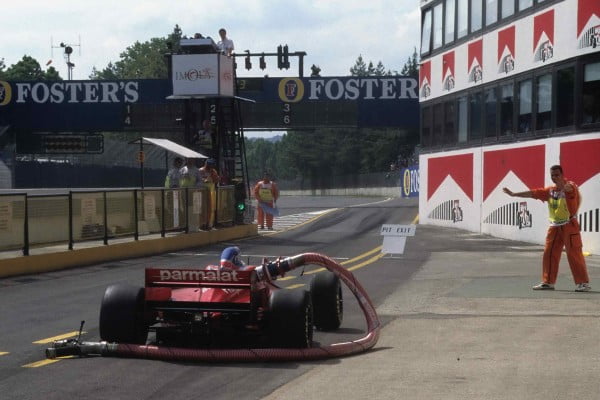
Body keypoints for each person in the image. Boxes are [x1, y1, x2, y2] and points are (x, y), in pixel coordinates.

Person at [503, 165, 591, 292]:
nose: (554, 177)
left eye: (557, 175)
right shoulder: (550, 191)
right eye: (552, 175)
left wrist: (566, 187)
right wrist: (514, 194)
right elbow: (533, 193)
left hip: (569, 225)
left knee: (574, 254)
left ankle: (583, 283)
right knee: (549, 253)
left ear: (562, 175)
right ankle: (548, 282)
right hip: (555, 226)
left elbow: (570, 189)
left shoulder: (570, 186)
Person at [199, 158, 220, 229]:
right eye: (209, 165)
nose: (210, 167)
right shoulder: (201, 170)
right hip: (202, 192)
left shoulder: (213, 171)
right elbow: (197, 180)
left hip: (210, 192)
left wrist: (212, 177)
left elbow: (217, 179)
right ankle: (202, 224)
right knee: (202, 208)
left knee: (210, 208)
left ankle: (209, 223)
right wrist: (204, 180)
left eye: (211, 166)